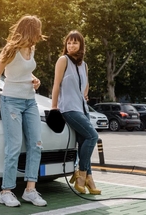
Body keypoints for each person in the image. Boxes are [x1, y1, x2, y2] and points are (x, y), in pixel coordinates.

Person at [0, 15, 47, 207]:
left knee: (36, 145)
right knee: (14, 146)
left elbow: (23, 71)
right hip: (11, 101)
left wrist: (34, 79)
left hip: (30, 101)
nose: (40, 34)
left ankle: (30, 190)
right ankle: (6, 191)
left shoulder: (31, 48)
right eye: (37, 29)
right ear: (31, 29)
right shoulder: (10, 49)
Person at [51, 30, 101, 195]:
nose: (71, 45)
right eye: (69, 43)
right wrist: (54, 107)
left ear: (81, 45)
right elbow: (56, 84)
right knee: (93, 136)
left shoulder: (84, 65)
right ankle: (82, 174)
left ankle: (88, 178)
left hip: (82, 108)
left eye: (75, 43)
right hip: (68, 108)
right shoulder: (62, 60)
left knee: (84, 144)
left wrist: (84, 94)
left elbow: (85, 87)